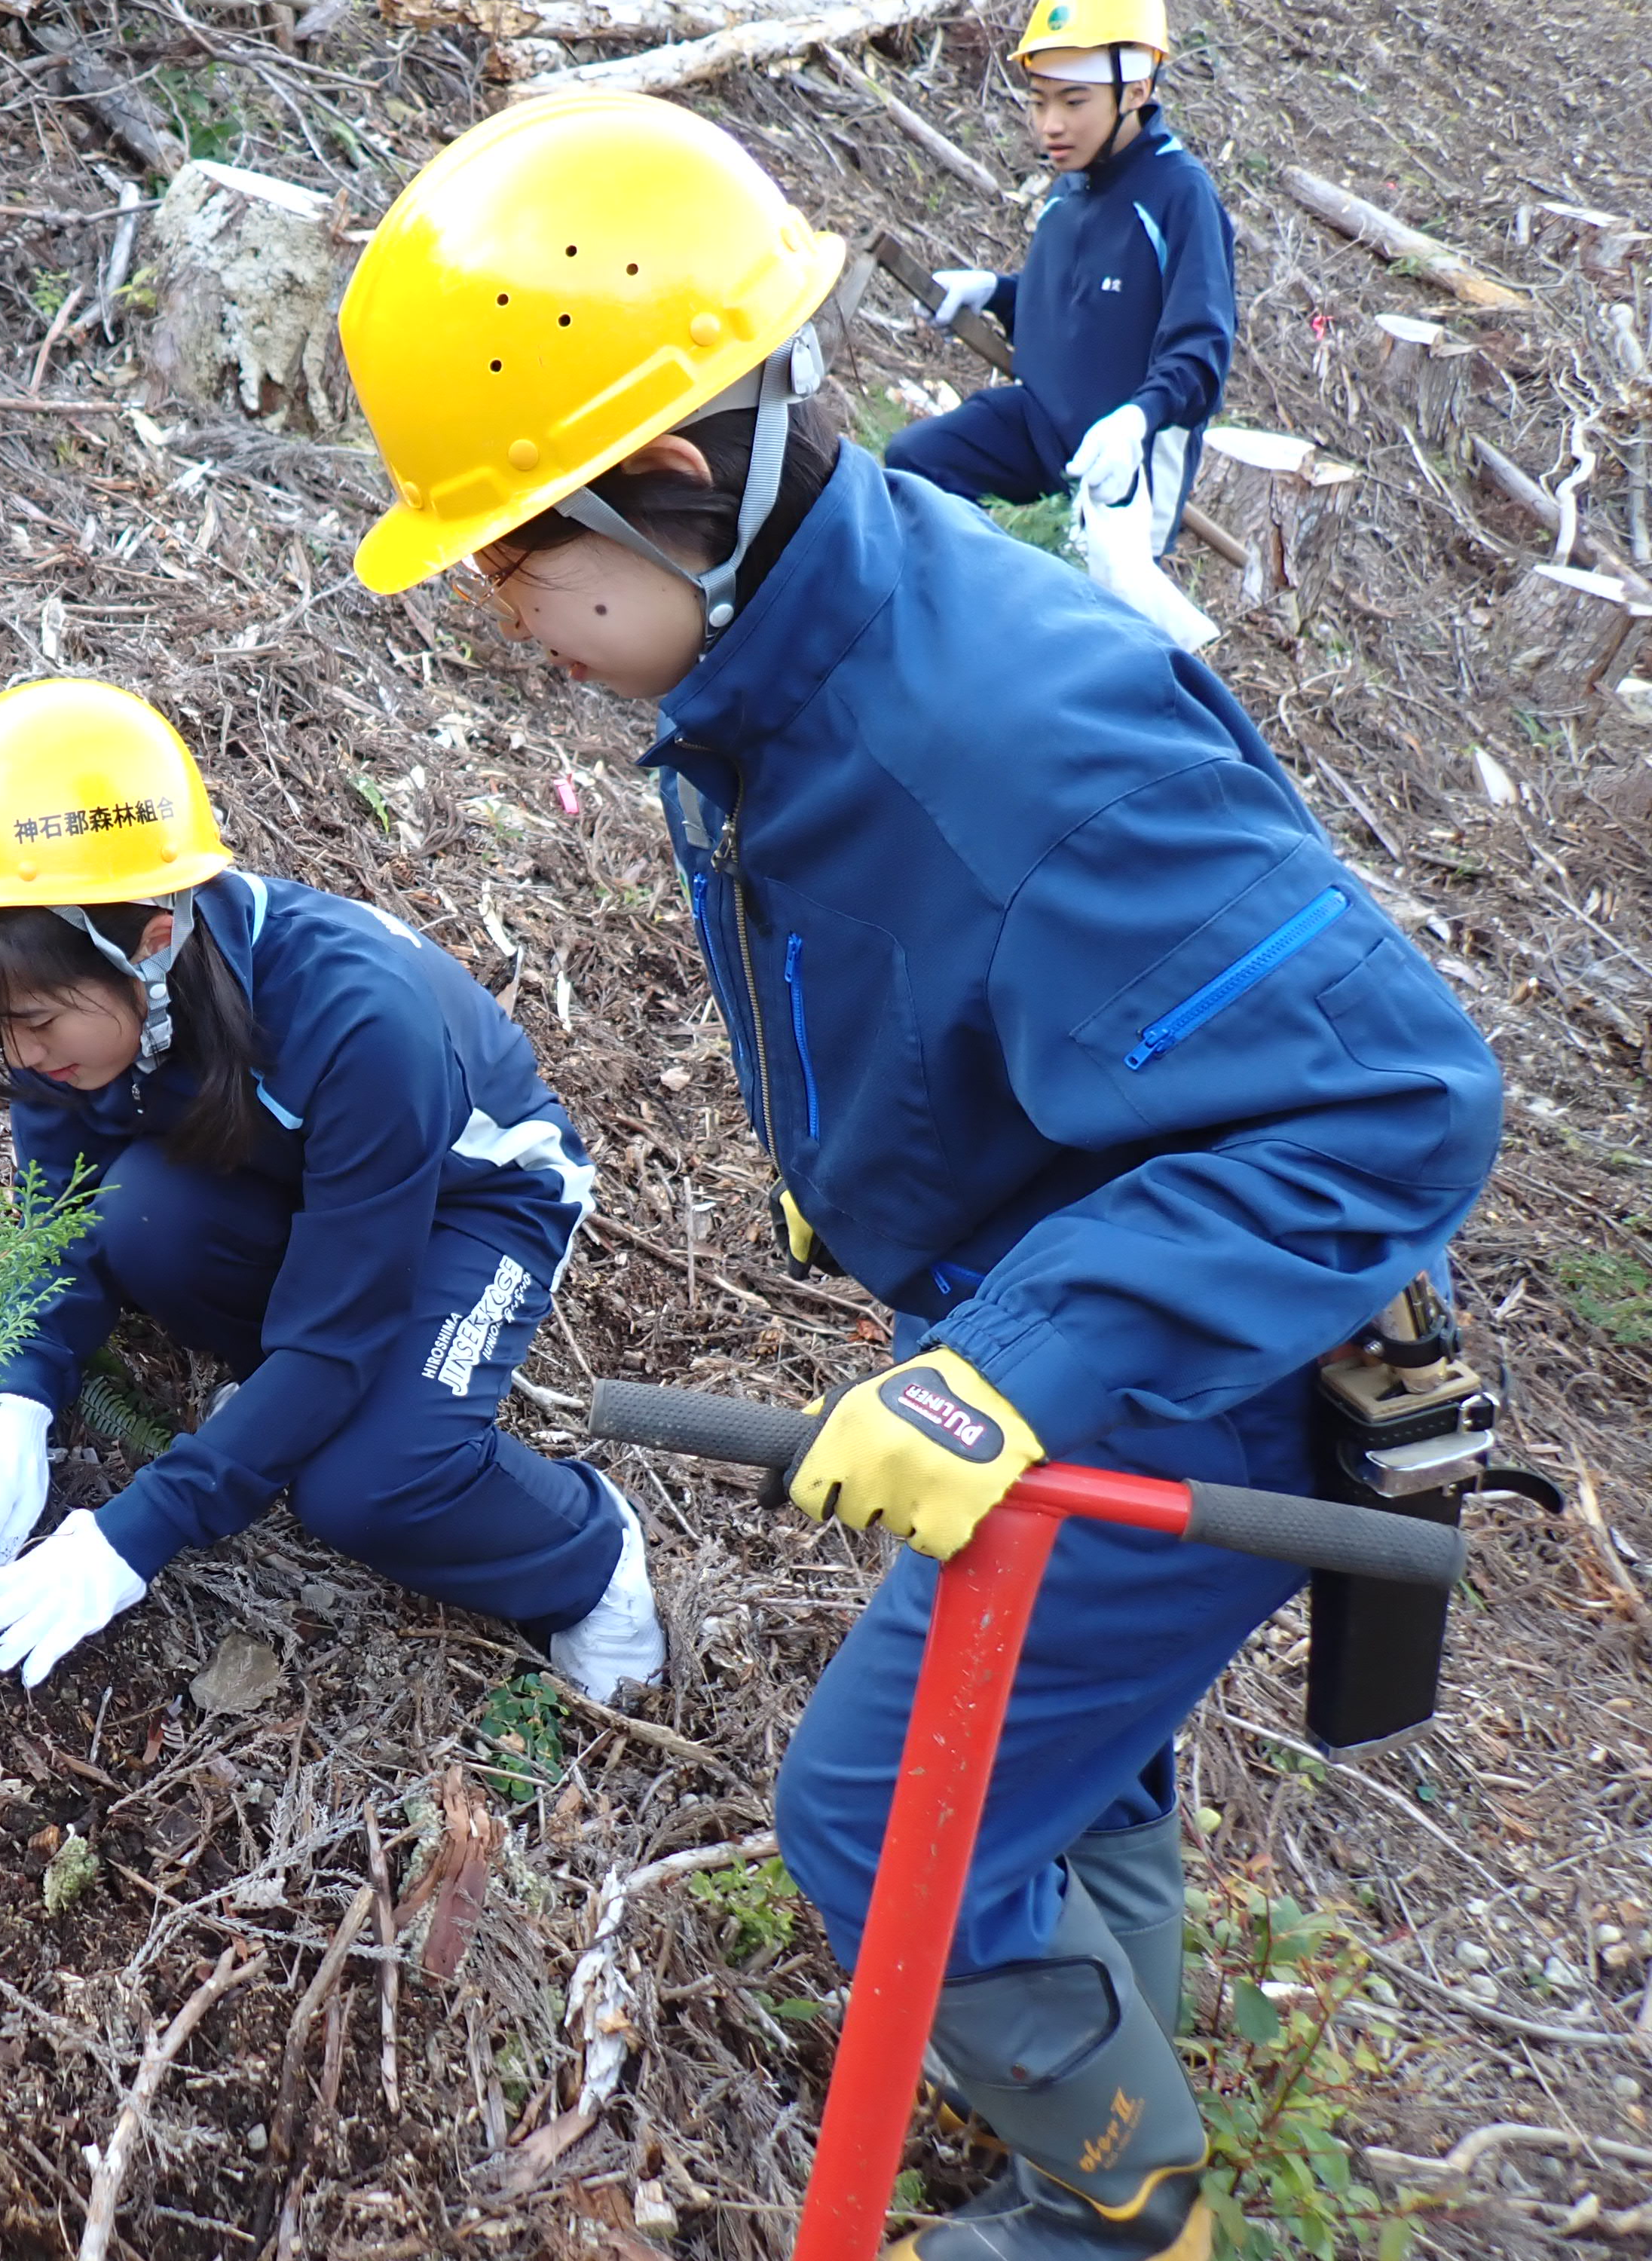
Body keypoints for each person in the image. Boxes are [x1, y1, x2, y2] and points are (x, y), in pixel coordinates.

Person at [334, 92, 1498, 2261]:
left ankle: (1114, 2214)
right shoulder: (794, 655)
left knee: (879, 1818)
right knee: (1074, 1769)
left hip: (1193, 1362)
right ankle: (1121, 2079)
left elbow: (1391, 1104)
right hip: (1063, 1295)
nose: (501, 613)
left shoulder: (1006, 738)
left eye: (510, 554)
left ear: (679, 485)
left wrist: (1021, 1366)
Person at [0, 675, 668, 1706]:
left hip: (470, 1203)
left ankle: (588, 1559)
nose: (18, 1055)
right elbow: (55, 1223)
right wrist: (13, 1400)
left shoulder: (355, 1022)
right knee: (139, 1217)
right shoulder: (79, 1020)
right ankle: (295, 1402)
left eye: (34, 1021)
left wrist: (128, 1538)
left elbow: (337, 1337)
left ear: (149, 943)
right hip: (297, 1183)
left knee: (370, 1489)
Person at [884, 0, 1235, 556]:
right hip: (1039, 423)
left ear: (1136, 92)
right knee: (916, 463)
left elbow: (1201, 355)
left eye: (1074, 101)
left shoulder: (1179, 195)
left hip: (1126, 460)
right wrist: (993, 292)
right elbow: (1078, 316)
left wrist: (1134, 422)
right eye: (1039, 101)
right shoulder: (1069, 190)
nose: (1051, 124)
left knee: (1094, 615)